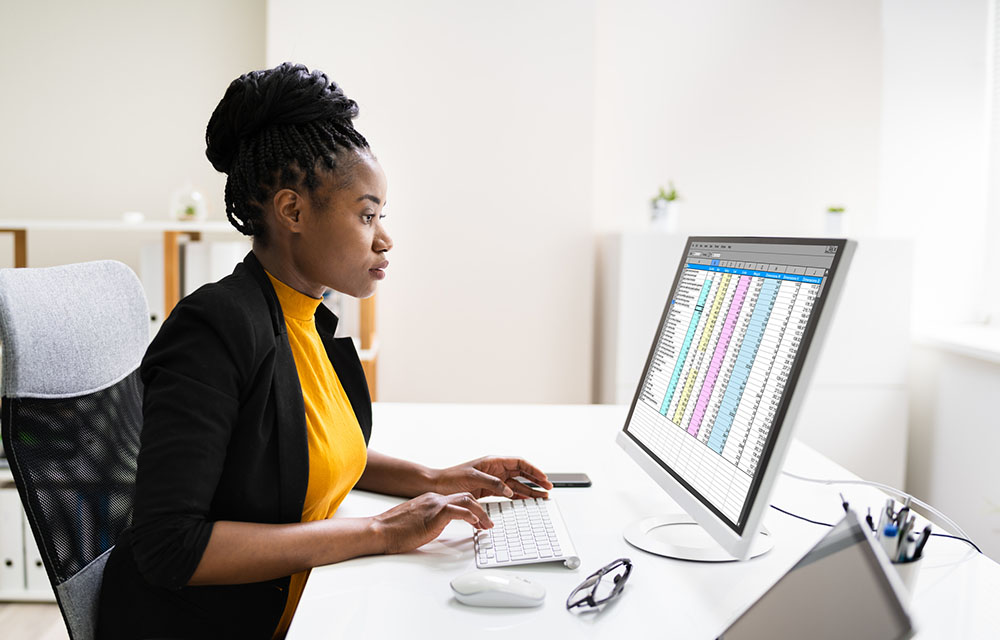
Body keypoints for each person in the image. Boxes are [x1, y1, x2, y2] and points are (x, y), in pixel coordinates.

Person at [97, 62, 553, 639]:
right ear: (293, 211)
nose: (384, 238)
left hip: (309, 599)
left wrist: (434, 479)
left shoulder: (310, 321)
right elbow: (170, 545)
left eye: (381, 216)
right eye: (367, 215)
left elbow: (308, 456)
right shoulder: (214, 329)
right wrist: (382, 531)